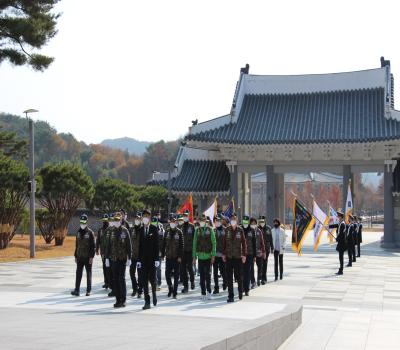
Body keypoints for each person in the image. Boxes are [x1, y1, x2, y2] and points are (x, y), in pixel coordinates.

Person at [105, 213, 132, 308]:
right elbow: (108, 245)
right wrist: (107, 258)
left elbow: (129, 245)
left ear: (121, 220)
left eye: (118, 220)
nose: (116, 222)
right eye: (115, 220)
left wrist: (129, 257)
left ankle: (123, 300)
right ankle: (118, 300)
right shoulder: (111, 231)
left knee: (121, 279)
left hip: (122, 259)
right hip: (113, 259)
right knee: (115, 280)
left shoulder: (125, 231)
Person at [137, 209, 159, 310]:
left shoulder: (154, 229)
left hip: (152, 260)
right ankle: (147, 301)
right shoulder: (141, 230)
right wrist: (138, 260)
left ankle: (154, 294)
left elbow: (156, 245)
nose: (145, 218)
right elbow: (139, 246)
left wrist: (157, 259)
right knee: (144, 281)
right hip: (143, 260)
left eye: (147, 216)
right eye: (144, 216)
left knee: (153, 280)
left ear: (150, 218)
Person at [222, 212, 247, 303]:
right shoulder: (227, 230)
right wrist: (224, 254)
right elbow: (224, 243)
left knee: (239, 276)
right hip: (229, 257)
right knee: (229, 278)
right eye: (232, 219)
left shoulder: (240, 230)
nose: (233, 221)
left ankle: (240, 291)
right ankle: (231, 295)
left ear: (236, 221)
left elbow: (244, 244)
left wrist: (244, 255)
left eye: (234, 220)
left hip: (238, 257)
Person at [192, 214, 216, 300]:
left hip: (208, 257)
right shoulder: (197, 230)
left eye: (203, 220)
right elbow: (194, 244)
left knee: (208, 276)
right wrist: (194, 257)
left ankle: (209, 291)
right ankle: (203, 293)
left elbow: (214, 242)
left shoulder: (210, 230)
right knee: (201, 277)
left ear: (205, 221)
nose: (201, 222)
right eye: (200, 220)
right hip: (200, 257)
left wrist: (213, 255)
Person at [71, 214, 96, 297]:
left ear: (86, 222)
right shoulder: (78, 232)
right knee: (78, 273)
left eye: (84, 222)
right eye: (81, 222)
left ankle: (88, 290)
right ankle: (76, 290)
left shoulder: (90, 233)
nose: (82, 223)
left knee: (88, 273)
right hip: (80, 256)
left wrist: (92, 257)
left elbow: (93, 246)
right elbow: (77, 245)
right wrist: (75, 256)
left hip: (87, 257)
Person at [162, 214, 184, 299]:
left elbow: (182, 245)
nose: (172, 223)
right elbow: (164, 244)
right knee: (167, 274)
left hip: (176, 257)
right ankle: (170, 288)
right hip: (168, 256)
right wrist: (163, 254)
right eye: (171, 221)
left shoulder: (179, 232)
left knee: (176, 275)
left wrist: (180, 256)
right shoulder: (166, 231)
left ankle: (175, 292)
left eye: (174, 222)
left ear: (176, 223)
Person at [180, 209, 196, 293]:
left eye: (186, 215)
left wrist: (194, 253)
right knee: (183, 269)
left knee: (190, 268)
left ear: (188, 216)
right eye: (184, 216)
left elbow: (194, 240)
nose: (185, 217)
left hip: (190, 251)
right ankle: (186, 286)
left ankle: (192, 281)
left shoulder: (192, 226)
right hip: (182, 252)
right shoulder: (181, 226)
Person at [96, 214, 111, 289]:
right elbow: (98, 240)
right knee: (104, 268)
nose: (105, 221)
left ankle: (110, 282)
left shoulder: (111, 229)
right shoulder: (100, 230)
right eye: (104, 220)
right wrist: (96, 249)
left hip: (110, 252)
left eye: (106, 220)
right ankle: (106, 282)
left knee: (109, 268)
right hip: (103, 252)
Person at [129, 211, 143, 297]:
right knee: (131, 273)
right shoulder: (132, 230)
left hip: (140, 257)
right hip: (133, 256)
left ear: (141, 219)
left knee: (140, 274)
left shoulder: (143, 230)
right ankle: (135, 288)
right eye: (136, 218)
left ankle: (140, 290)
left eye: (138, 218)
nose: (137, 220)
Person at [213, 213, 227, 294]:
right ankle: (216, 287)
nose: (217, 222)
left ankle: (225, 282)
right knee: (215, 272)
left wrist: (226, 253)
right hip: (215, 255)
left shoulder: (225, 230)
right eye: (216, 220)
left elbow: (227, 242)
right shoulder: (213, 230)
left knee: (223, 271)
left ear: (221, 221)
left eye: (219, 220)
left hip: (223, 254)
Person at [251, 217, 266, 287]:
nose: (253, 224)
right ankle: (253, 281)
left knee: (260, 266)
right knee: (251, 268)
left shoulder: (259, 231)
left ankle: (259, 278)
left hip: (259, 252)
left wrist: (263, 252)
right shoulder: (249, 231)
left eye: (254, 223)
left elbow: (262, 242)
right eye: (252, 223)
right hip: (251, 252)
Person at [258, 215, 273, 284]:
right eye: (260, 221)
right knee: (259, 264)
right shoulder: (257, 228)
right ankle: (259, 276)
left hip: (266, 249)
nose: (261, 222)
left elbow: (270, 238)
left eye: (262, 221)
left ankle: (264, 278)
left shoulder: (268, 228)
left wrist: (272, 248)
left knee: (264, 263)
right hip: (259, 249)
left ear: (265, 221)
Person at [241, 215, 253, 296]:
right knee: (241, 272)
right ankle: (241, 288)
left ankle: (247, 289)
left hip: (249, 254)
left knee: (247, 272)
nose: (245, 223)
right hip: (240, 254)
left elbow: (254, 242)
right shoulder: (239, 229)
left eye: (246, 221)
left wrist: (255, 255)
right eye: (244, 221)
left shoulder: (251, 230)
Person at [152, 215, 165, 290]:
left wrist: (162, 253)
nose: (153, 223)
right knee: (153, 268)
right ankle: (154, 282)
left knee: (158, 268)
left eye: (155, 222)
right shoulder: (149, 228)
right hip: (151, 252)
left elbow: (163, 242)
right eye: (152, 222)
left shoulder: (161, 230)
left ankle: (159, 283)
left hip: (158, 252)